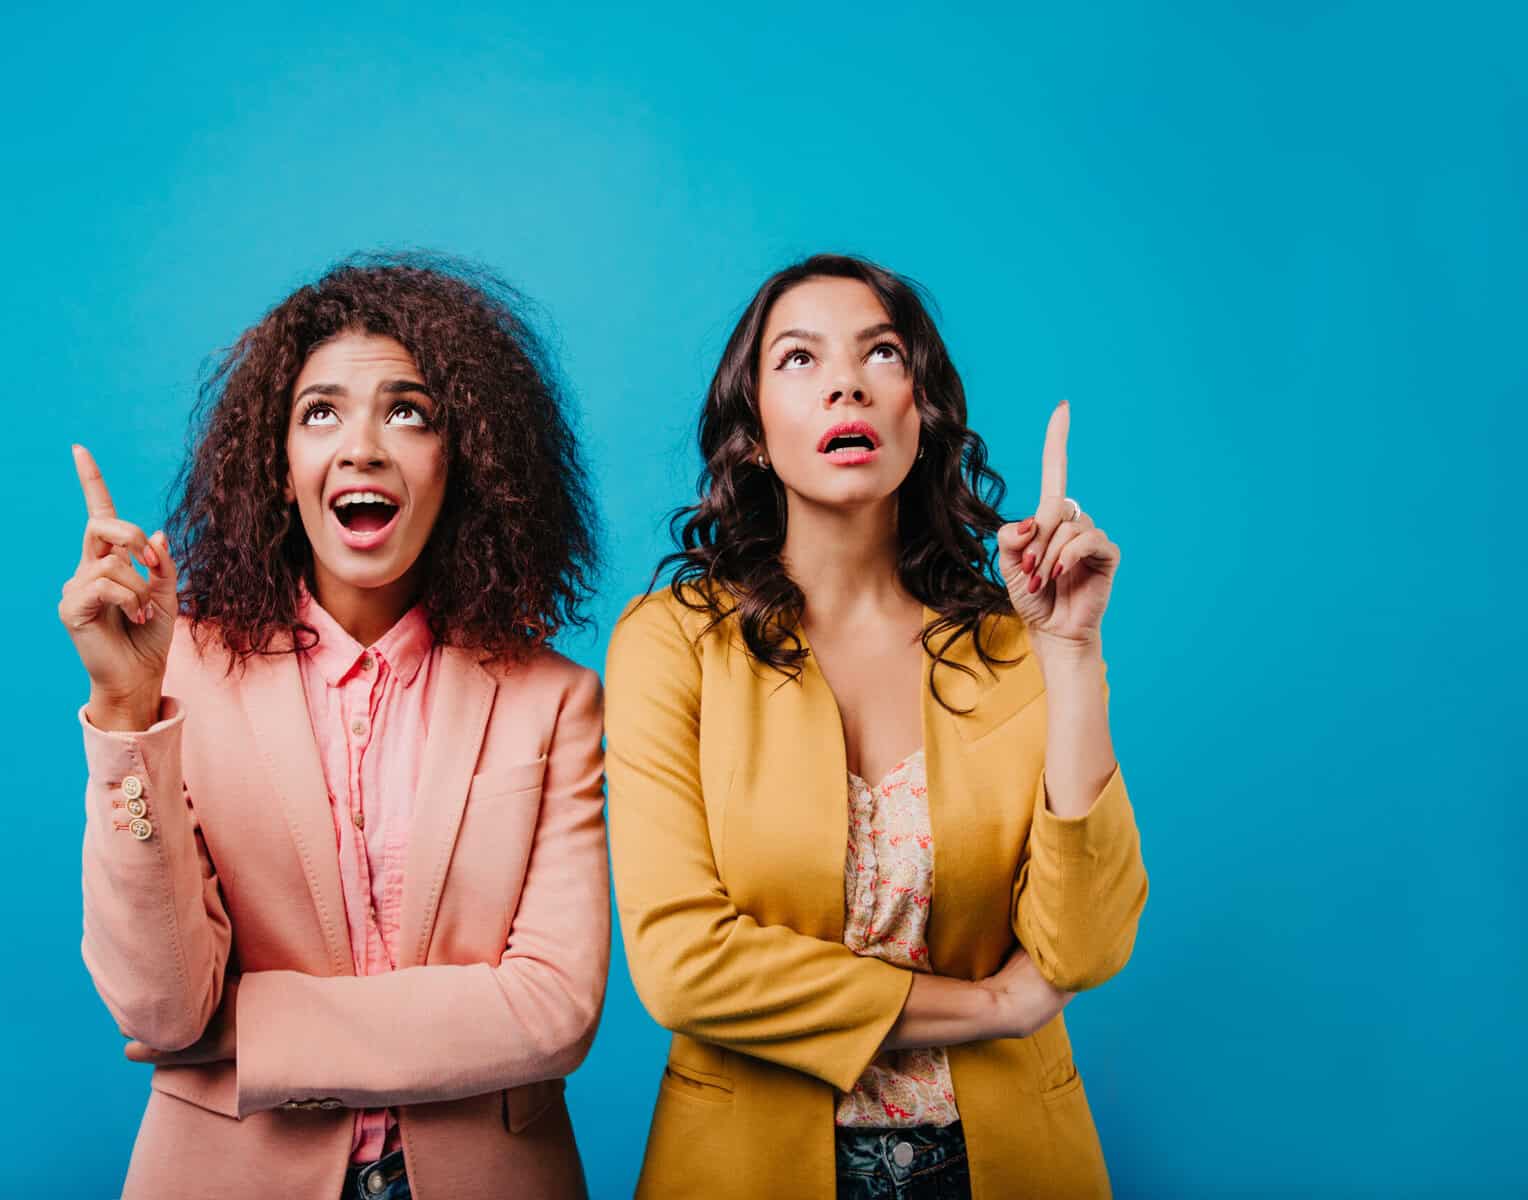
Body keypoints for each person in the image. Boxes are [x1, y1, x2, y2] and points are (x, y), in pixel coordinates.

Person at [58, 255, 608, 1200]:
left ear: (464, 462)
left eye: (409, 413)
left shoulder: (552, 698)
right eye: (321, 413)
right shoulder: (178, 673)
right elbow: (162, 1009)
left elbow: (552, 1009)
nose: (362, 449)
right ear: (279, 470)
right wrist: (125, 715)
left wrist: (249, 1033)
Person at [604, 254, 1149, 1199]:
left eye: (881, 353)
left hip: (1011, 1163)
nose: (846, 383)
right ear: (754, 432)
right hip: (744, 1167)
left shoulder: (1013, 643)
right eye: (799, 359)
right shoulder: (671, 643)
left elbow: (1085, 947)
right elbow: (684, 967)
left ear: (920, 414)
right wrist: (993, 1004)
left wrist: (1068, 653)